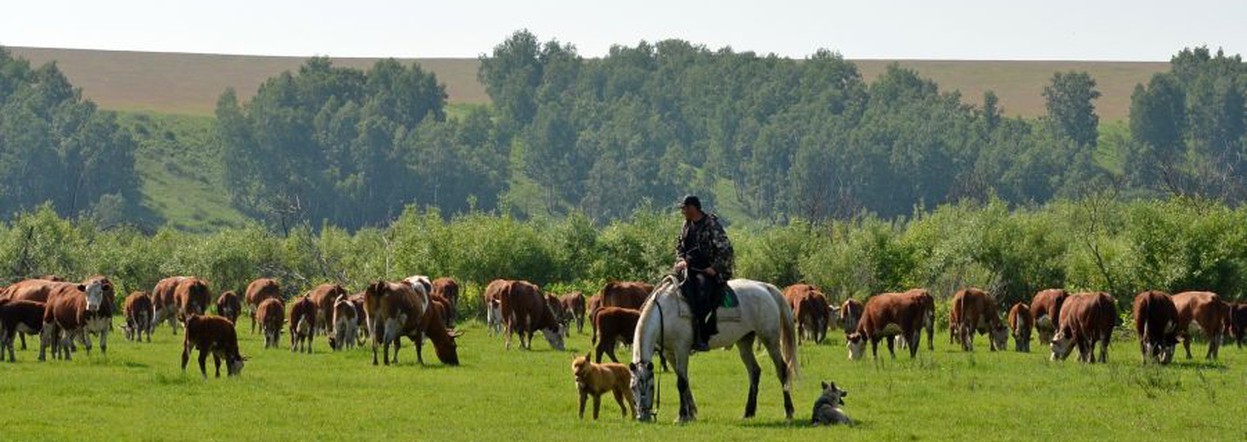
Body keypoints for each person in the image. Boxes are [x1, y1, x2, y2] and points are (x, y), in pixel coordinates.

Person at [673, 195, 734, 352]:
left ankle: (702, 337)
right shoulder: (686, 225)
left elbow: (726, 249)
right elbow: (679, 246)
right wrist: (681, 260)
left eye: (684, 208)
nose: (682, 212)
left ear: (693, 208)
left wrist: (715, 267)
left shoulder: (711, 224)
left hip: (707, 271)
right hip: (688, 268)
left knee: (701, 296)